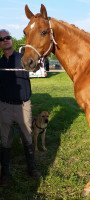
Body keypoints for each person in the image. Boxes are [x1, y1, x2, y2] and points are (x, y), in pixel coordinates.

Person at [0, 29, 41, 186]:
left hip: (23, 105)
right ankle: (5, 174)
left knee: (28, 137)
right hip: (4, 106)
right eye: (1, 39)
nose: (5, 40)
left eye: (7, 37)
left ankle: (32, 168)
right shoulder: (0, 63)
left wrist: (37, 64)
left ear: (11, 40)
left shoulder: (24, 59)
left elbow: (35, 66)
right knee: (5, 140)